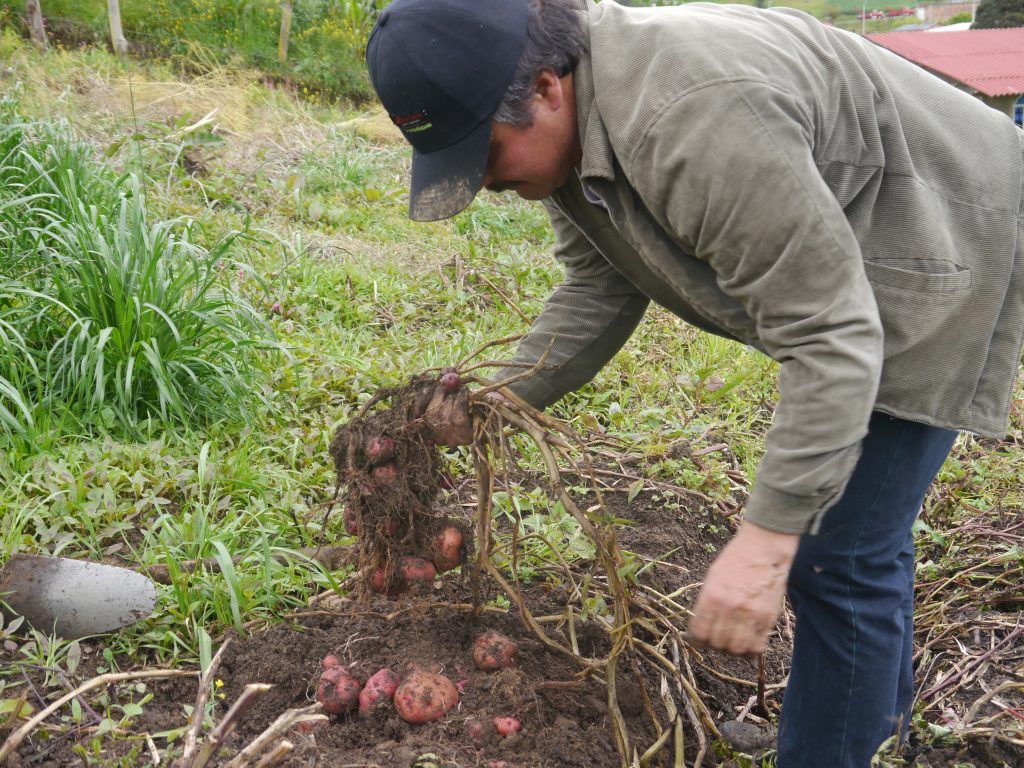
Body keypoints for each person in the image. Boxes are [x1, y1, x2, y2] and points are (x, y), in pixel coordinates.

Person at [365, 1, 1024, 765]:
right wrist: (489, 402)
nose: (481, 180)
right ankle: (869, 727)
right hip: (850, 272)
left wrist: (765, 540)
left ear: (546, 88)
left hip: (947, 229)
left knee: (833, 552)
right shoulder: (575, 123)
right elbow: (597, 288)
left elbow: (832, 335)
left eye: (485, 152)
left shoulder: (692, 117)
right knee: (858, 539)